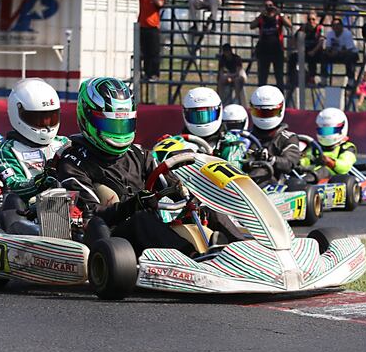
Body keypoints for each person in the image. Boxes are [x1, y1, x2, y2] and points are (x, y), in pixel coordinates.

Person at [55, 77, 242, 257]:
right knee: (141, 220)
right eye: (110, 124)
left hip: (153, 230)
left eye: (124, 124)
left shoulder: (138, 154)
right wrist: (133, 205)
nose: (119, 132)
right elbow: (90, 217)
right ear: (87, 119)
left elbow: (169, 186)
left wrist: (186, 190)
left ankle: (244, 250)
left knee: (208, 203)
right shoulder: (73, 162)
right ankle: (193, 256)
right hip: (111, 240)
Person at [0, 79, 70, 202]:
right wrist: (44, 180)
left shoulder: (65, 144)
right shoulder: (5, 150)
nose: (47, 125)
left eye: (51, 118)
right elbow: (13, 184)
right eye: (39, 119)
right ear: (17, 114)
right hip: (28, 213)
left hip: (69, 206)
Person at [245, 85, 300, 184]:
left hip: (275, 184)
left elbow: (289, 164)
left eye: (270, 113)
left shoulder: (288, 138)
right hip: (241, 179)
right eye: (260, 113)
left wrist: (270, 158)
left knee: (262, 172)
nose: (264, 117)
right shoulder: (246, 136)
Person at [299, 108, 356, 181]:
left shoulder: (347, 147)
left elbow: (345, 166)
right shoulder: (315, 147)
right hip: (313, 177)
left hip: (335, 179)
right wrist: (298, 161)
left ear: (341, 129)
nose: (325, 134)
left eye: (329, 131)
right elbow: (306, 161)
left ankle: (303, 182)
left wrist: (330, 162)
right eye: (323, 131)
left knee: (323, 170)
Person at [250, 0, 292, 89]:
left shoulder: (279, 17)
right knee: (262, 77)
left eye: (270, 5)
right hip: (264, 51)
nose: (268, 8)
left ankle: (281, 98)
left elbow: (289, 25)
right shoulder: (261, 18)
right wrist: (261, 14)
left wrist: (279, 13)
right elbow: (252, 26)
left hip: (277, 51)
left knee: (279, 77)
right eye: (266, 6)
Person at [131, 0, 164, 82]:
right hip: (143, 28)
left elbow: (159, 4)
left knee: (153, 53)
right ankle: (147, 73)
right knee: (144, 53)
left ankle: (154, 74)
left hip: (153, 29)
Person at [322, 18, 358, 86]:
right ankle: (323, 80)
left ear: (341, 26)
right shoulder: (330, 34)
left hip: (348, 54)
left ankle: (350, 82)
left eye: (338, 25)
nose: (336, 27)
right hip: (336, 54)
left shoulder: (347, 34)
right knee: (323, 55)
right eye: (334, 25)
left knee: (350, 57)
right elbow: (328, 47)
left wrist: (337, 52)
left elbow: (349, 49)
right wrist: (329, 52)